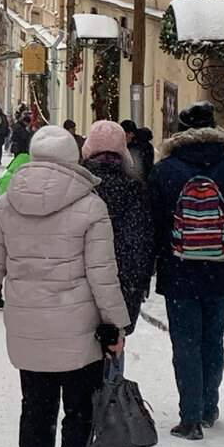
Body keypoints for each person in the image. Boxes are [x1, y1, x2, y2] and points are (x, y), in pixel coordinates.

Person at [0, 125, 130, 447]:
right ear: (74, 157)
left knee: (35, 408)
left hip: (28, 327)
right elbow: (102, 274)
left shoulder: (7, 203)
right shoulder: (90, 205)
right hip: (78, 331)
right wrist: (116, 325)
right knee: (79, 412)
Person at [148, 101, 224, 440]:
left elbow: (154, 229)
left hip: (178, 272)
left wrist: (145, 273)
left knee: (186, 343)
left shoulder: (164, 171)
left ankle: (190, 418)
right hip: (221, 271)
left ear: (180, 132)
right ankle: (208, 407)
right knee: (213, 341)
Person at [82, 121, 154, 336]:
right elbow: (140, 239)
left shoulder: (79, 183)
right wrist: (141, 280)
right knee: (116, 337)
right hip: (121, 276)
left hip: (81, 276)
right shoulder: (133, 186)